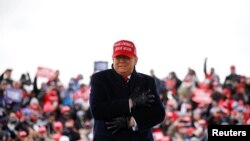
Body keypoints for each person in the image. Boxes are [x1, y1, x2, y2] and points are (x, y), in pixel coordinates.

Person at [90, 39, 165, 141]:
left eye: (126, 57)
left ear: (136, 60)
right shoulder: (99, 79)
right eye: (118, 57)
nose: (121, 60)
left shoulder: (147, 81)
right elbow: (97, 110)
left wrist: (132, 121)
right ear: (113, 59)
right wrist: (131, 102)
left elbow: (159, 113)